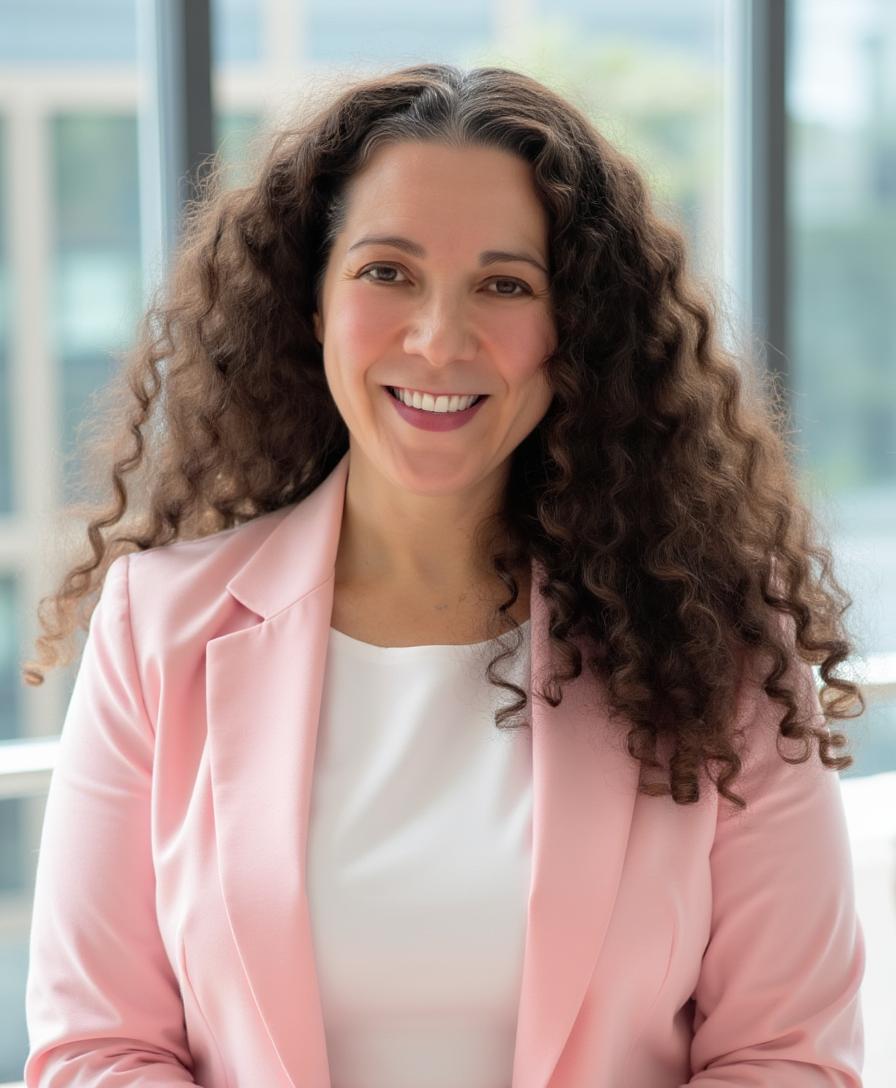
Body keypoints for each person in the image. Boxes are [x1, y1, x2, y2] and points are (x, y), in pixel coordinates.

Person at [21, 63, 866, 1087]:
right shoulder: (160, 625)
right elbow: (98, 1046)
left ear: (575, 332)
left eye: (505, 286)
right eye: (387, 272)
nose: (438, 339)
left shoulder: (714, 643)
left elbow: (787, 1057)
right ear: (312, 302)